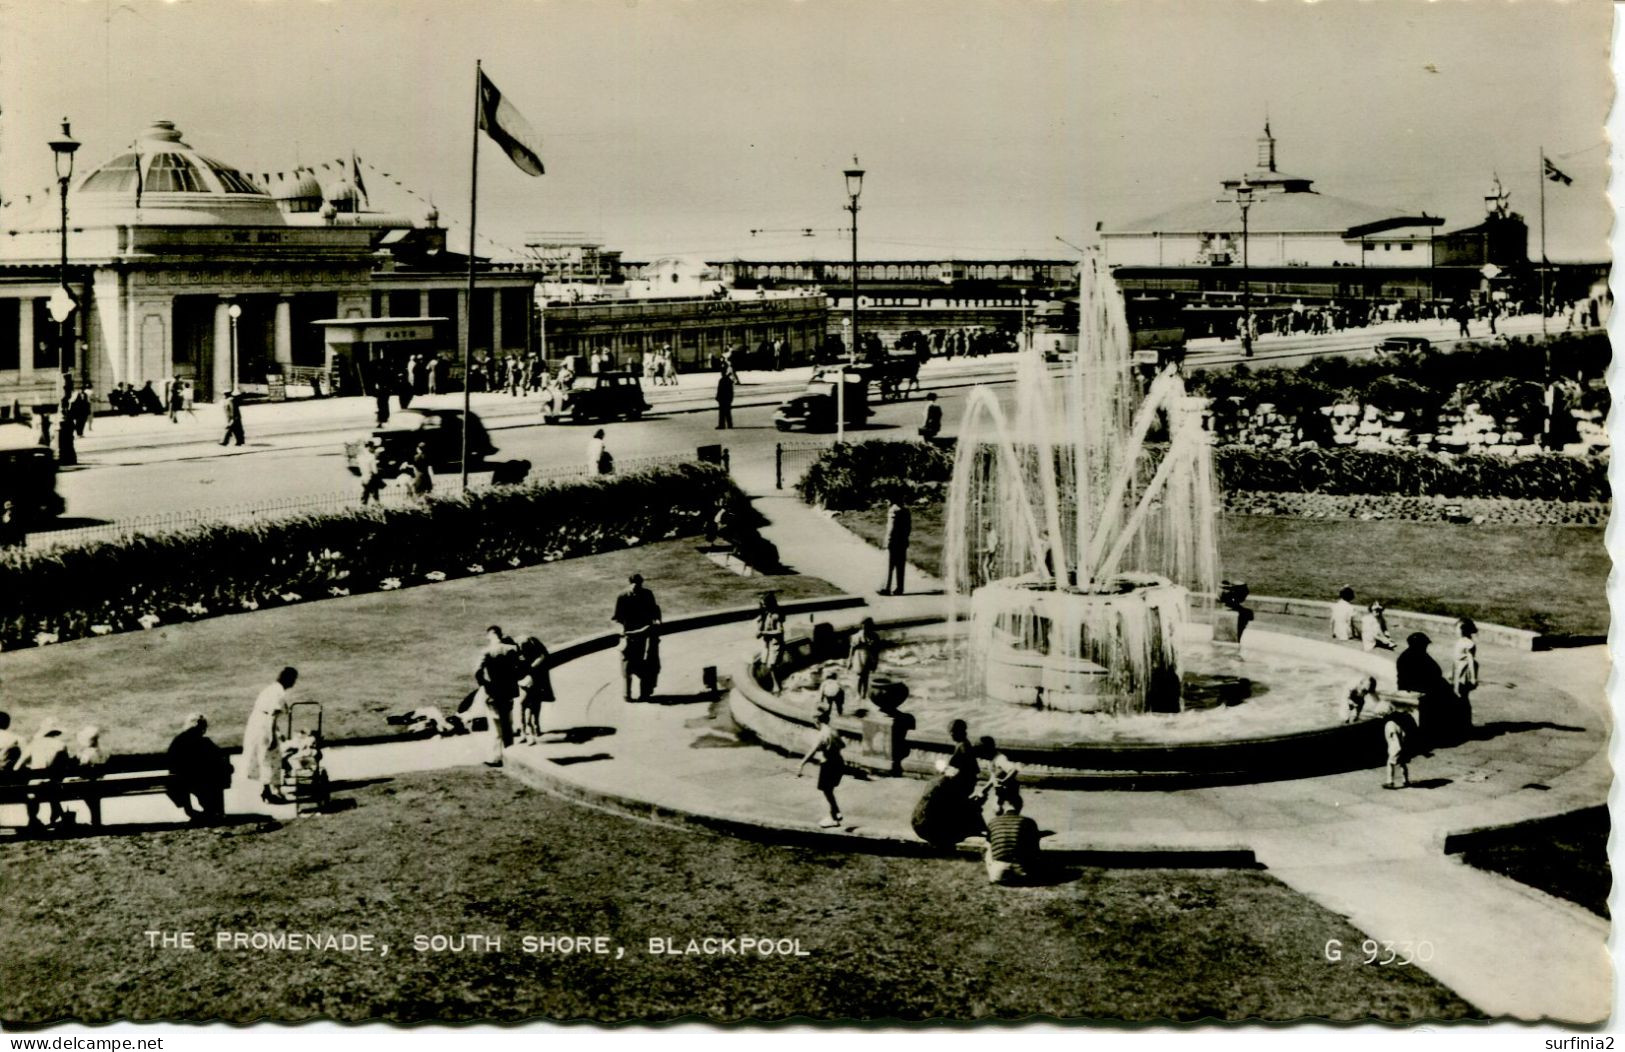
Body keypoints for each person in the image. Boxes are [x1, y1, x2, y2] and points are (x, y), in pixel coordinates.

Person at [244, 666, 296, 805]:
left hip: (257, 723)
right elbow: (272, 715)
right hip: (263, 726)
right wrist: (272, 736)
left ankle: (267, 790)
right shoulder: (278, 692)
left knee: (265, 757)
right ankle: (272, 792)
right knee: (271, 756)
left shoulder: (272, 688)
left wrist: (277, 733)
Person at [166, 713, 232, 822]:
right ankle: (214, 811)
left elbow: (171, 763)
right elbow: (219, 758)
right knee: (217, 775)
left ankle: (196, 810)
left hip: (180, 781)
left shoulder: (178, 741)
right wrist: (228, 767)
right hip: (199, 781)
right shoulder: (204, 742)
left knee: (208, 777)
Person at [612, 573, 662, 702]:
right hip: (628, 636)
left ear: (641, 583)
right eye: (634, 583)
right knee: (627, 665)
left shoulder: (647, 594)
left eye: (638, 583)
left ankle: (644, 693)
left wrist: (656, 622)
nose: (636, 586)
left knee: (639, 663)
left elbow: (654, 612)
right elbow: (617, 618)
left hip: (643, 635)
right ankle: (627, 694)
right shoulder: (622, 596)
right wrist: (622, 631)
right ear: (630, 583)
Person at [473, 626, 521, 754]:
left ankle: (496, 756)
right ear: (501, 634)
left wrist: (484, 684)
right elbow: (520, 668)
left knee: (495, 726)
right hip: (508, 691)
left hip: (493, 691)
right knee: (507, 724)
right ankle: (509, 752)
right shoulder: (512, 649)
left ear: (490, 635)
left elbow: (477, 672)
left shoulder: (486, 652)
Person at [796, 712, 846, 828]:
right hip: (838, 762)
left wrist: (801, 763)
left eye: (815, 722)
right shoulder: (833, 731)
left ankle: (834, 817)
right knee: (829, 790)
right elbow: (843, 745)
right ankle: (836, 813)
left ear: (818, 721)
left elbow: (812, 750)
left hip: (828, 764)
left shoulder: (822, 734)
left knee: (827, 791)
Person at [20, 722, 72, 829]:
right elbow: (66, 765)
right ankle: (56, 814)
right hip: (53, 785)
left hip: (35, 785)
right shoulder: (61, 745)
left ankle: (33, 819)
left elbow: (18, 766)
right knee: (53, 783)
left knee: (34, 786)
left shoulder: (34, 744)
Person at [983, 801, 1041, 885]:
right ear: (1020, 806)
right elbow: (1035, 850)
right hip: (1023, 873)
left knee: (988, 846)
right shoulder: (1028, 822)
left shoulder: (993, 822)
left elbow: (987, 847)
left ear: (1003, 806)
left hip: (998, 874)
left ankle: (993, 876)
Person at [516, 636, 554, 744]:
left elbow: (541, 658)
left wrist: (531, 670)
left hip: (533, 679)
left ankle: (527, 731)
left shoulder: (533, 652)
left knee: (526, 704)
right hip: (529, 679)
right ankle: (532, 728)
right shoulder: (522, 649)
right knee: (530, 703)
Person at [974, 736, 1022, 816]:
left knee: (1007, 815)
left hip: (1011, 798)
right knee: (996, 810)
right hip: (1001, 795)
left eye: (981, 752)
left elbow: (1013, 769)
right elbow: (994, 777)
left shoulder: (1000, 759)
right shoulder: (992, 760)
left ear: (987, 750)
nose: (981, 756)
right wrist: (985, 788)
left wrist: (1004, 781)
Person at [1450, 617, 1480, 737]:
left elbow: (1471, 660)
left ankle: (1466, 724)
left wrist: (1473, 677)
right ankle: (1461, 723)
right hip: (1458, 671)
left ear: (1463, 630)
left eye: (1457, 629)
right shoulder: (1460, 641)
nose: (1455, 631)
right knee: (1459, 697)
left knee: (1462, 698)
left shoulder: (1468, 643)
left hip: (1464, 673)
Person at [73, 726, 107, 827]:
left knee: (87, 794)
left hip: (89, 783)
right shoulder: (102, 751)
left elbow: (82, 766)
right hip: (101, 782)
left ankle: (95, 819)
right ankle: (96, 819)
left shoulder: (87, 753)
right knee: (93, 797)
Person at [880, 498, 912, 596]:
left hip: (894, 541)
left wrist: (887, 541)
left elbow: (891, 527)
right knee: (900, 565)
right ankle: (900, 588)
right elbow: (908, 528)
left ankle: (886, 587)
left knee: (889, 565)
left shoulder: (893, 510)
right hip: (903, 541)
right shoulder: (906, 511)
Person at [755, 591, 785, 692]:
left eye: (764, 604)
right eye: (761, 604)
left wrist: (764, 633)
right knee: (767, 664)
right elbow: (760, 626)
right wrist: (759, 629)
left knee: (772, 665)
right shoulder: (766, 614)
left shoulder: (776, 615)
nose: (762, 606)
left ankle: (777, 686)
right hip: (768, 643)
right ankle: (776, 683)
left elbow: (780, 631)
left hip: (776, 643)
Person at [848, 618, 882, 700]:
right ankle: (858, 694)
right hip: (858, 656)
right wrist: (850, 661)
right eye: (864, 626)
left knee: (866, 676)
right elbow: (852, 649)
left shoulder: (874, 636)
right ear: (862, 626)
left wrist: (875, 662)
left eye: (868, 626)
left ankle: (864, 694)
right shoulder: (856, 636)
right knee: (859, 676)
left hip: (868, 656)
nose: (865, 628)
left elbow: (876, 650)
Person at [1383, 714, 1410, 789]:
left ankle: (1390, 782)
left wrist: (1398, 747)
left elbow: (1394, 735)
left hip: (1395, 747)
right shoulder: (1398, 725)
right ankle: (1405, 780)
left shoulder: (1390, 724)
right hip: (1401, 746)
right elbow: (1404, 735)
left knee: (1390, 763)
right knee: (1402, 763)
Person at [357, 439, 387, 505]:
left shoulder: (360, 457)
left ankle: (363, 509)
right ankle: (378, 507)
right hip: (371, 478)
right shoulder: (371, 457)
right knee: (375, 495)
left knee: (365, 495)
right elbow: (375, 471)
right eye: (373, 447)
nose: (374, 449)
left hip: (364, 477)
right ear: (370, 447)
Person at [715, 365, 735, 429]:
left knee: (722, 413)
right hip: (727, 399)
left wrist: (717, 397)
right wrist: (731, 398)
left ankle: (722, 425)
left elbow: (719, 390)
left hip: (722, 399)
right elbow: (731, 391)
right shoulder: (728, 380)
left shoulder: (722, 380)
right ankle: (729, 424)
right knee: (727, 412)